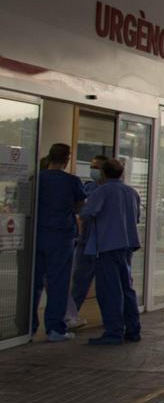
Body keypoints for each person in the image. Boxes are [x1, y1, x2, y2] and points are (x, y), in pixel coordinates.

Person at [79, 157, 141, 345]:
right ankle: (133, 329)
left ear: (104, 173)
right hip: (126, 246)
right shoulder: (131, 192)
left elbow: (87, 213)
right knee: (126, 288)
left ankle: (113, 332)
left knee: (109, 290)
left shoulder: (102, 191)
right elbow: (136, 217)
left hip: (106, 246)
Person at [32, 143, 86, 341]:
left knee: (33, 282)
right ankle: (55, 329)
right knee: (58, 283)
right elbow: (81, 207)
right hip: (61, 237)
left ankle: (28, 327)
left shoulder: (36, 178)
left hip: (37, 235)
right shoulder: (71, 182)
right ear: (67, 159)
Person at [64, 154, 108, 331]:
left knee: (107, 285)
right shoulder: (87, 187)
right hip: (85, 243)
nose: (93, 170)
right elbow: (80, 212)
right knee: (79, 283)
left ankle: (111, 318)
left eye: (96, 167)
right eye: (92, 167)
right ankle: (70, 317)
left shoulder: (113, 191)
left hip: (104, 246)